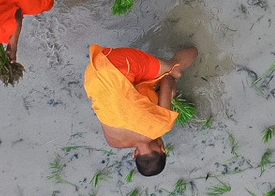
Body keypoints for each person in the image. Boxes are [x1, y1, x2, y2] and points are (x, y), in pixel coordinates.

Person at [83, 44, 199, 177]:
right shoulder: (113, 142)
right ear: (135, 154)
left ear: (162, 149)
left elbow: (167, 80)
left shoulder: (161, 127)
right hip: (93, 73)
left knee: (175, 70)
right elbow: (121, 108)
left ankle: (197, 46)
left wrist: (171, 91)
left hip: (117, 65)